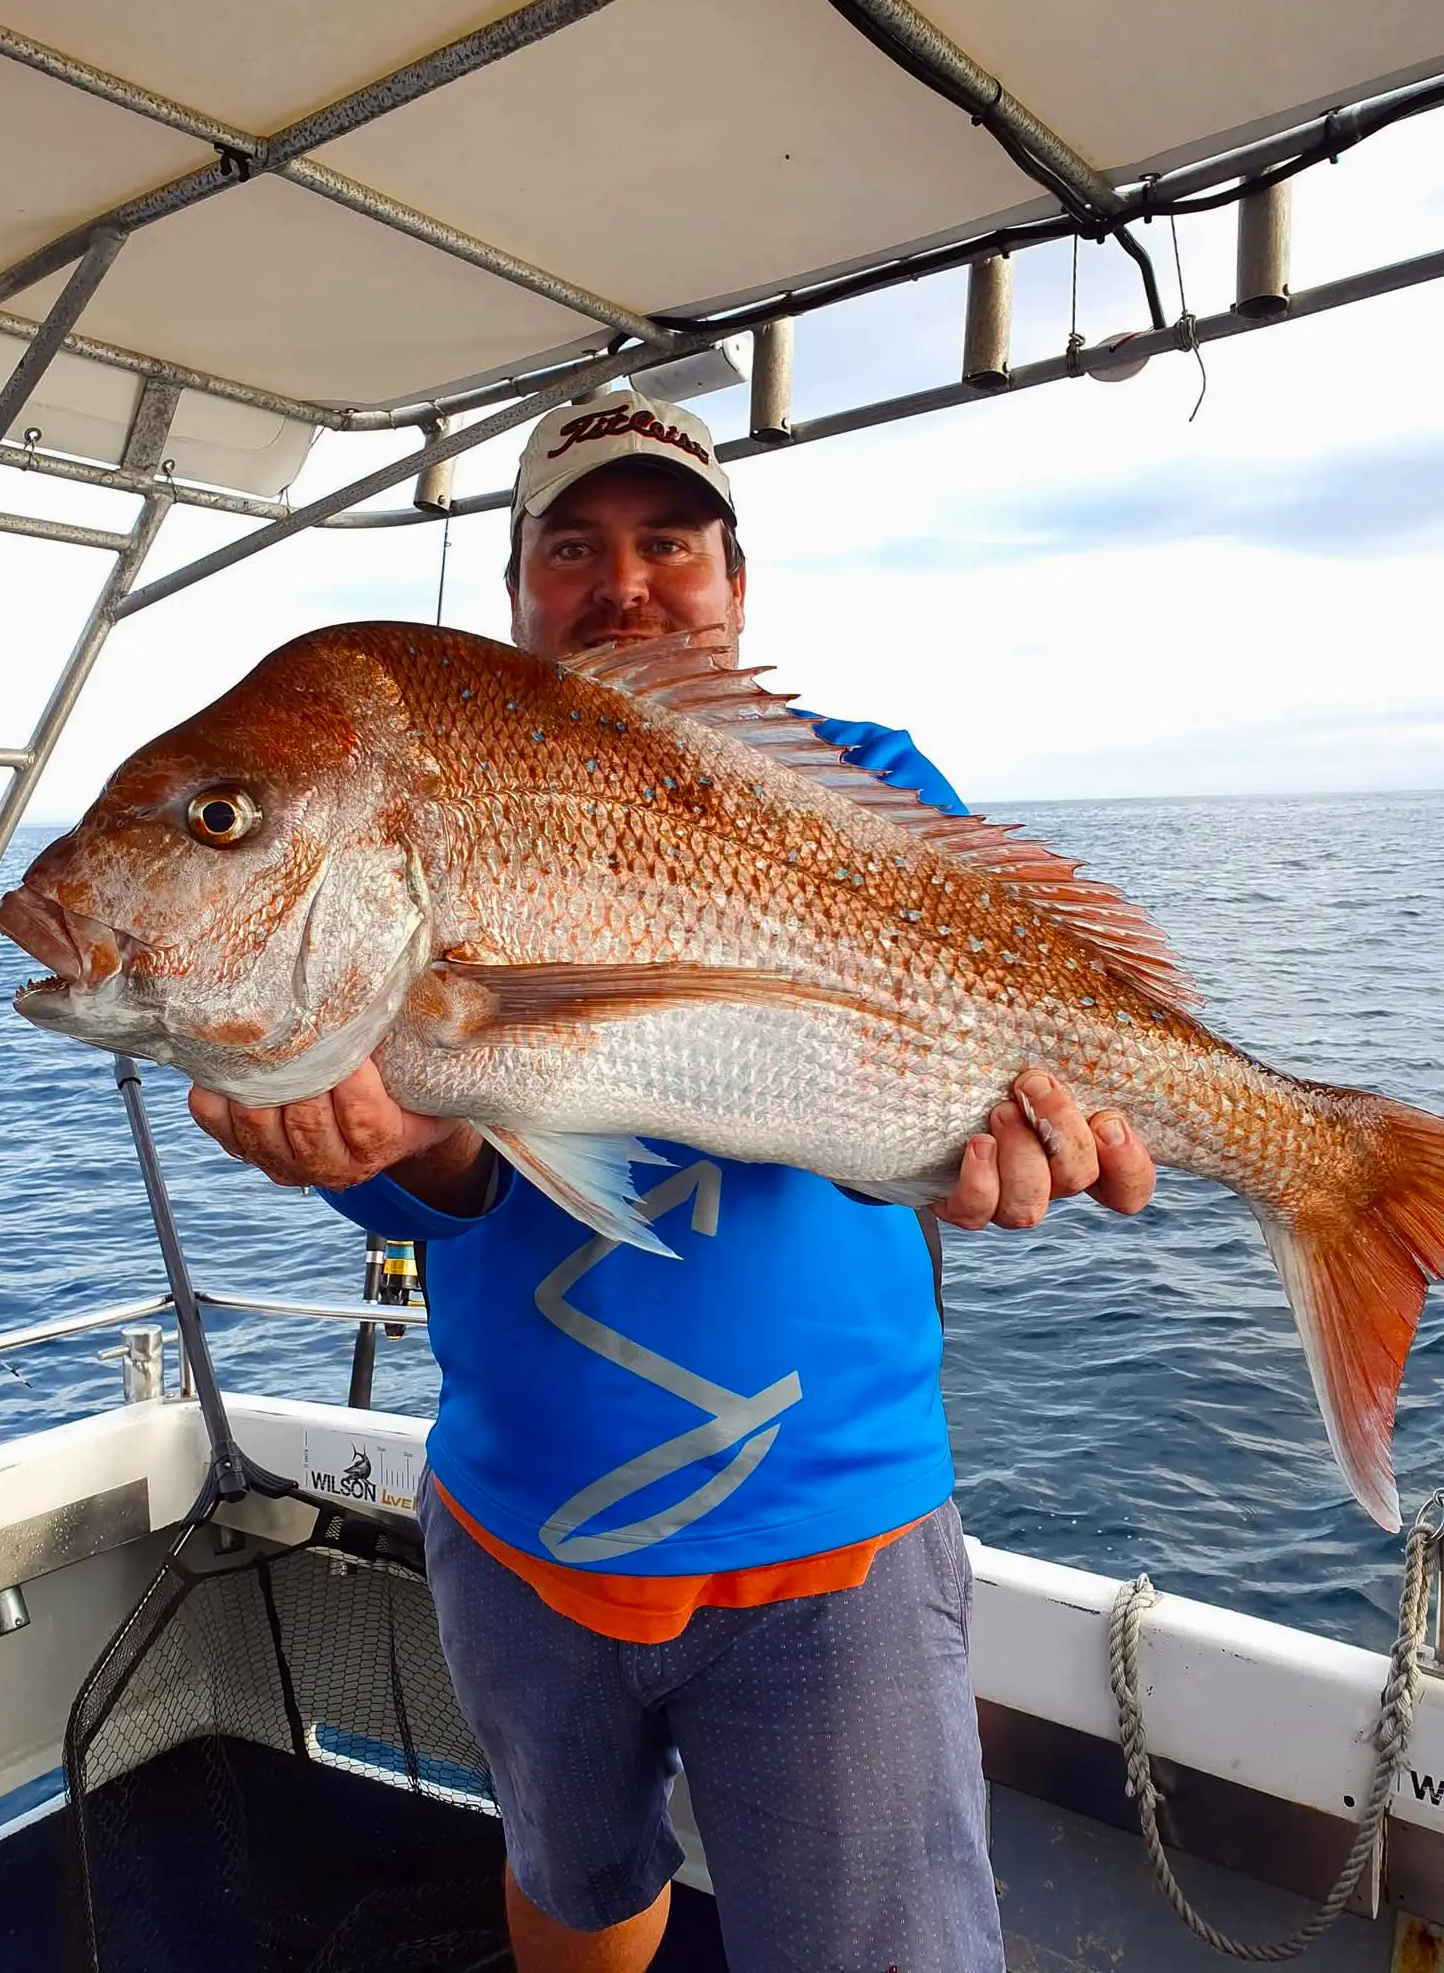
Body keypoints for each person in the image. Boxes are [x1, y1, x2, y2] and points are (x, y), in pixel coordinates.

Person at [189, 392, 1157, 1972]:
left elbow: (950, 1098)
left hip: (829, 1538)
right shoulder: (434, 796)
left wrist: (998, 1162)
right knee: (574, 1892)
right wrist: (396, 1155)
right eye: (573, 547)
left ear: (736, 584)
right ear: (515, 594)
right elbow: (427, 1161)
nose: (624, 584)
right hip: (520, 1521)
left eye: (670, 543)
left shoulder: (860, 781)